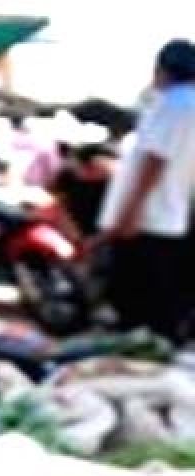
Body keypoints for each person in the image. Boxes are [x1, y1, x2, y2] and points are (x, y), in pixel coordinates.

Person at [91, 39, 195, 341]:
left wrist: (130, 212)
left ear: (162, 69)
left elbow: (155, 160)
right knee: (161, 298)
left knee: (137, 302)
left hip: (147, 219)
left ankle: (143, 357)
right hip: (168, 217)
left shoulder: (175, 104)